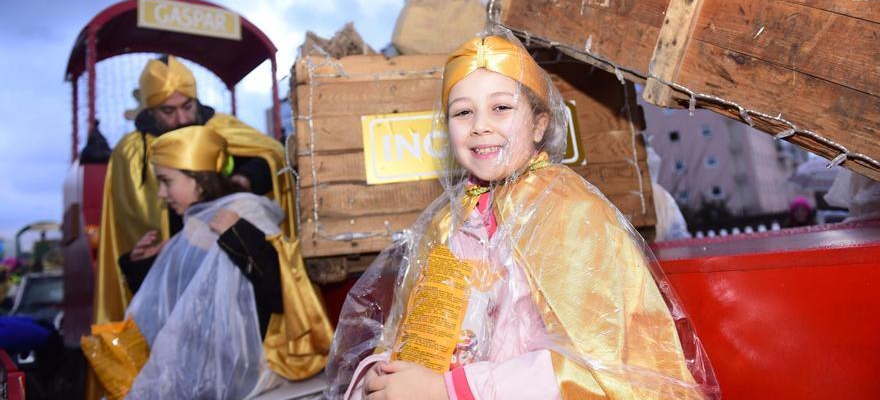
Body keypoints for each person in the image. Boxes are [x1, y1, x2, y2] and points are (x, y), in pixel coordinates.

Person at [326, 32, 718, 399]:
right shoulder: (451, 222)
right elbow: (418, 333)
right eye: (462, 112)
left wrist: (451, 389)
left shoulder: (571, 213)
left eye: (501, 108)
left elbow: (599, 368)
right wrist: (386, 372)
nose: (481, 126)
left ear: (539, 124)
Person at [83, 126, 332, 399]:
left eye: (167, 181)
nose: (161, 195)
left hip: (255, 372)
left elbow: (280, 292)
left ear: (198, 178)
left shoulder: (245, 211)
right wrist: (142, 265)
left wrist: (239, 235)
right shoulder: (194, 226)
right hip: (209, 372)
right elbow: (178, 305)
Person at [95, 55, 286, 326]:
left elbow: (273, 156)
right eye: (168, 111)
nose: (182, 119)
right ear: (150, 110)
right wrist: (141, 263)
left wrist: (244, 179)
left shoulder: (222, 129)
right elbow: (131, 228)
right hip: (182, 300)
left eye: (187, 106)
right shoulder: (132, 151)